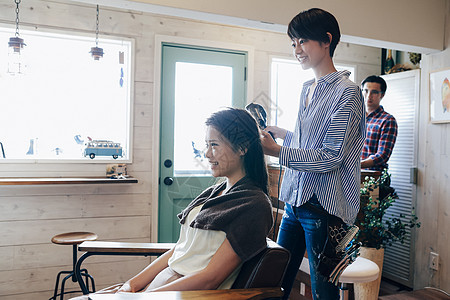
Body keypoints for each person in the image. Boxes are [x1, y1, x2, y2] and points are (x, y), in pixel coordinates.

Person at [71, 108, 273, 298]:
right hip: (161, 289)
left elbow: (210, 280)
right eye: (206, 145)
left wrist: (144, 297)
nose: (206, 153)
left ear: (243, 148)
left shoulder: (253, 205)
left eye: (214, 145)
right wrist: (132, 285)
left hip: (185, 295)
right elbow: (180, 249)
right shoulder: (215, 192)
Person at [259, 8, 365, 300]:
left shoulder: (348, 92)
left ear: (326, 40)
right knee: (275, 282)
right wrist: (285, 135)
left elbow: (331, 156)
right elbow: (311, 143)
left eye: (302, 41)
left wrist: (279, 151)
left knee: (324, 294)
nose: (297, 50)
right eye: (293, 43)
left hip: (323, 208)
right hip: (294, 200)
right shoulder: (307, 88)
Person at [360, 75, 398, 171]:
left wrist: (357, 165)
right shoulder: (354, 117)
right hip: (349, 175)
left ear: (382, 95)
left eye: (374, 92)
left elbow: (382, 155)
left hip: (373, 178)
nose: (369, 96)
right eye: (366, 91)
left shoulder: (387, 120)